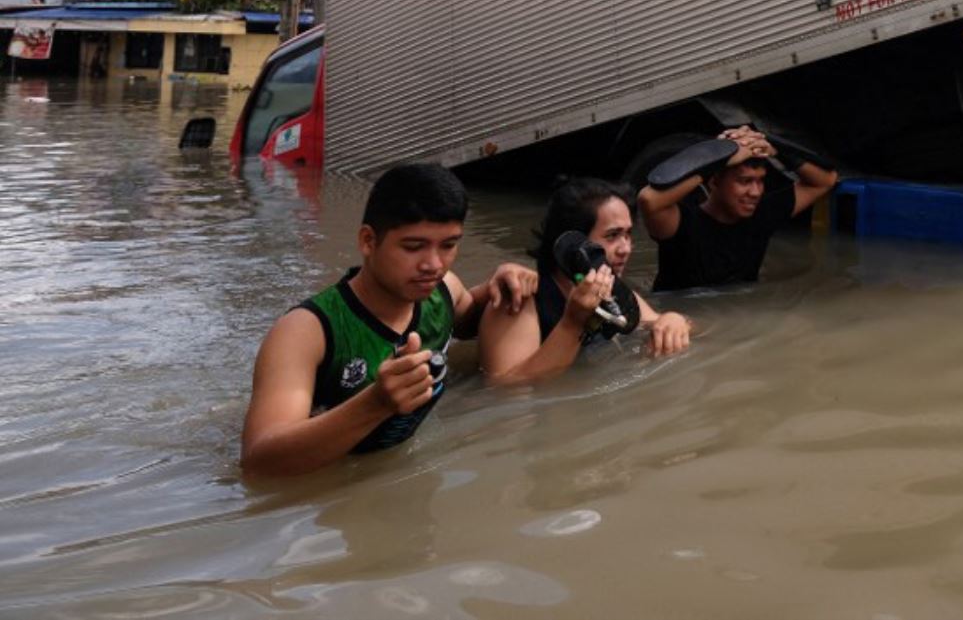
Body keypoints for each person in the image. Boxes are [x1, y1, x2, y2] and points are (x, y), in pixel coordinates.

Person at [239, 163, 538, 477]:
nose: (434, 264)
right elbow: (259, 461)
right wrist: (375, 404)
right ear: (368, 241)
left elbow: (469, 318)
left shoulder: (443, 290)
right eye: (413, 247)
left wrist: (503, 282)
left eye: (448, 246)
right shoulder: (305, 332)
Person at [479, 178, 692, 384]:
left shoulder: (614, 293)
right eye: (612, 236)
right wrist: (573, 322)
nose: (626, 248)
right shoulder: (520, 298)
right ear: (573, 246)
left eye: (628, 234)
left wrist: (673, 320)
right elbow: (506, 389)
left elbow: (668, 325)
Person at [637, 126, 839, 292]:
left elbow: (825, 181)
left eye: (760, 181)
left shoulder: (762, 214)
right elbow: (648, 199)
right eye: (745, 181)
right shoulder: (682, 223)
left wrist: (772, 146)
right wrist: (716, 158)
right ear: (714, 181)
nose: (755, 192)